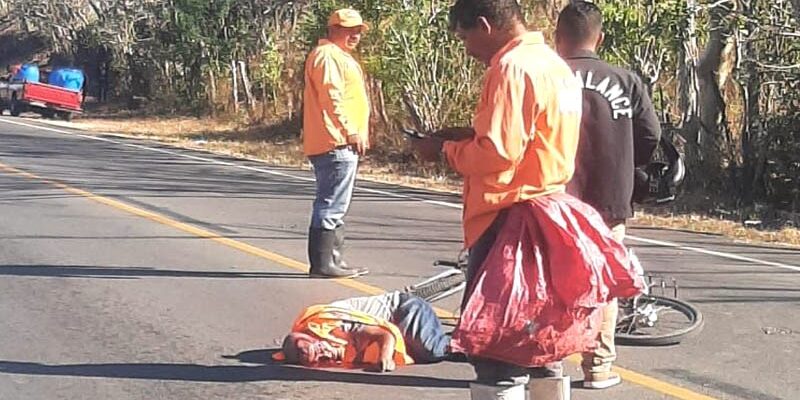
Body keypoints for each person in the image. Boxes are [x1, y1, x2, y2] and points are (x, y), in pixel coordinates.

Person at [411, 1, 644, 399]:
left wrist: (445, 151)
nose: (466, 48)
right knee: (541, 343)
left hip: (509, 219)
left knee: (498, 347)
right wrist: (468, 134)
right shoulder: (552, 64)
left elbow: (498, 155)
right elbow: (531, 136)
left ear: (484, 25)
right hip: (550, 210)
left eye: (465, 36)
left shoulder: (510, 68)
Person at [556, 1, 661, 389]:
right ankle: (597, 366)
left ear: (557, 37)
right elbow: (651, 136)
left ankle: (547, 365)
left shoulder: (549, 76)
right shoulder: (626, 80)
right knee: (603, 283)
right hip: (610, 200)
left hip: (556, 198)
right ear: (599, 37)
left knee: (553, 280)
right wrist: (624, 163)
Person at [302, 8, 371, 278]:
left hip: (337, 141)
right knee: (331, 204)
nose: (355, 35)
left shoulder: (336, 56)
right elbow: (333, 97)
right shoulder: (327, 56)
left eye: (358, 30)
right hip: (336, 142)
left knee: (335, 204)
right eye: (349, 29)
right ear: (333, 29)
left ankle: (332, 260)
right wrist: (350, 130)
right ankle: (323, 265)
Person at [273, 291, 455, 371]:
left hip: (404, 309)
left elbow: (384, 333)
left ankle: (470, 342)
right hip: (398, 322)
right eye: (319, 359)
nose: (324, 356)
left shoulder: (334, 324)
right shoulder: (327, 343)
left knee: (431, 351)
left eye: (319, 351)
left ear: (313, 338)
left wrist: (385, 358)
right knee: (420, 353)